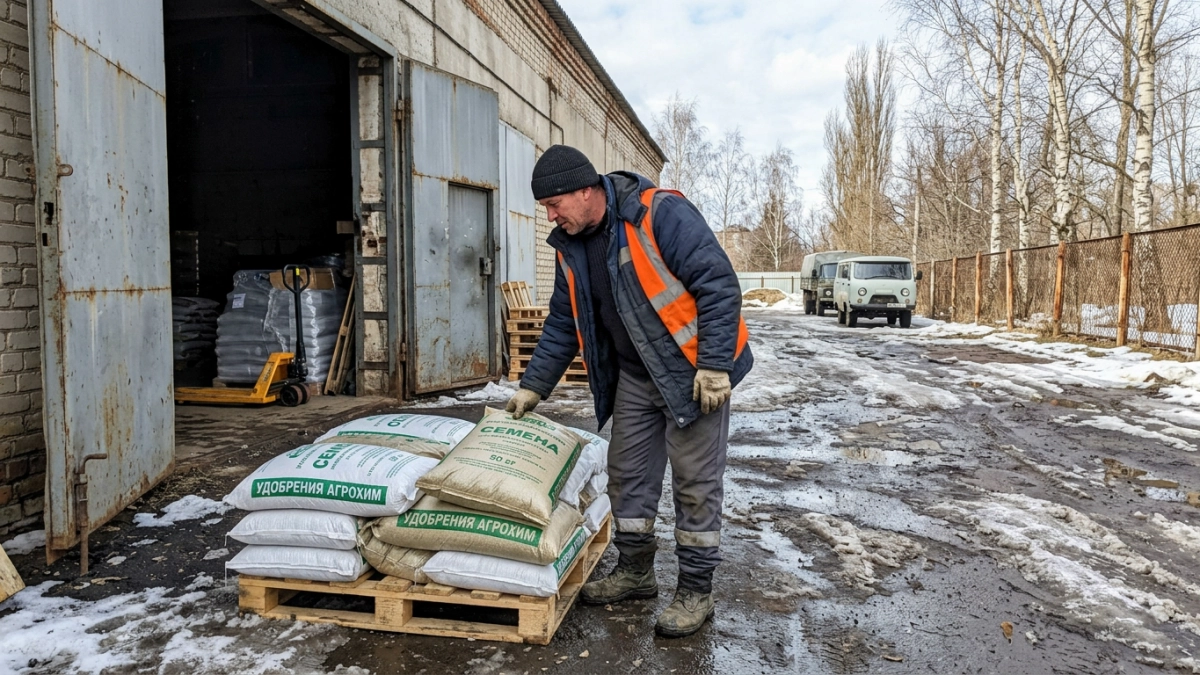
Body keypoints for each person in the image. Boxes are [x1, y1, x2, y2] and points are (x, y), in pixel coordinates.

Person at [504, 145, 753, 638]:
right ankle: (637, 573)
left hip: (692, 375)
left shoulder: (658, 212)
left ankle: (695, 590)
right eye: (545, 209)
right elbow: (562, 321)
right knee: (627, 475)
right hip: (636, 377)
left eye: (555, 204)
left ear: (585, 189)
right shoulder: (571, 246)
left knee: (695, 484)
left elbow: (718, 284)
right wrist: (533, 387)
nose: (551, 216)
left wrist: (714, 366)